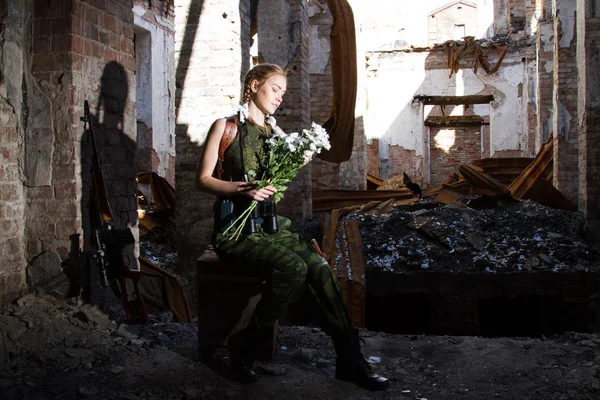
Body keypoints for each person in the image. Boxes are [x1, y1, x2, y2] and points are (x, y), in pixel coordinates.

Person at [195, 63, 389, 391]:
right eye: (275, 89)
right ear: (254, 85)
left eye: (283, 93)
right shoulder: (225, 127)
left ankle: (350, 359)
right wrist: (242, 189)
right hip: (236, 231)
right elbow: (202, 179)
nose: (280, 98)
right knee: (293, 267)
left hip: (271, 226)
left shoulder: (275, 133)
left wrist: (300, 156)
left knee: (319, 266)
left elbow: (283, 171)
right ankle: (246, 343)